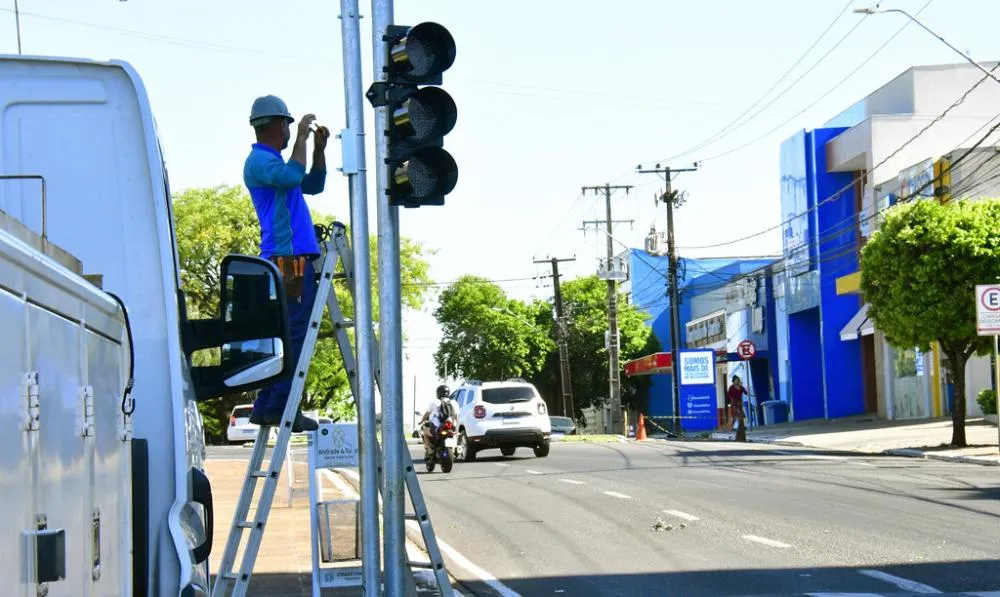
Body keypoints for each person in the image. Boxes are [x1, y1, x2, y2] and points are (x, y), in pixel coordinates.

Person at [244, 95, 330, 432]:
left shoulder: (275, 164)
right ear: (280, 125)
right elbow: (295, 177)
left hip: (286, 259)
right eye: (288, 127)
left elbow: (313, 184)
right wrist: (302, 141)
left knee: (285, 332)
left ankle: (266, 405)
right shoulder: (261, 162)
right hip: (288, 259)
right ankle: (281, 406)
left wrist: (318, 149)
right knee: (294, 332)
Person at [420, 385, 457, 456]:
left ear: (438, 393)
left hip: (437, 428)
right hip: (450, 427)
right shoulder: (454, 403)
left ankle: (430, 451)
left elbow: (427, 414)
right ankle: (455, 448)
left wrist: (421, 421)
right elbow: (456, 416)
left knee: (424, 432)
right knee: (455, 434)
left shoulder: (434, 402)